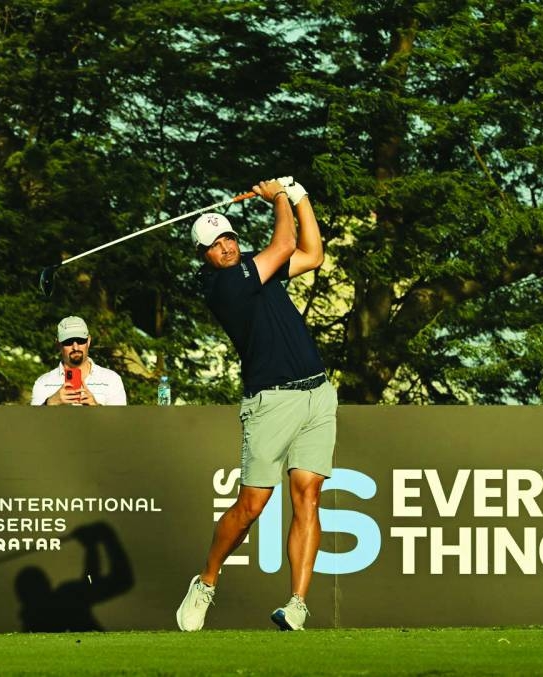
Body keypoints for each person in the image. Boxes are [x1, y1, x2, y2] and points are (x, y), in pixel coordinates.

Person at [175, 177, 337, 632]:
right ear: (202, 255)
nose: (225, 247)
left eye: (228, 237)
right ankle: (206, 581)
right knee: (251, 506)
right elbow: (284, 241)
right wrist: (279, 196)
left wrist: (302, 196)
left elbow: (312, 254)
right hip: (271, 402)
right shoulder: (223, 286)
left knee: (308, 496)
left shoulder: (253, 266)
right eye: (214, 244)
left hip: (317, 395)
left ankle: (297, 604)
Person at [30, 316, 126, 406]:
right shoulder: (43, 383)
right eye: (68, 342)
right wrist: (50, 403)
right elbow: (33, 422)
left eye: (80, 340)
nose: (75, 347)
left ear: (88, 341)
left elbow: (120, 422)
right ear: (58, 344)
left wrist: (96, 406)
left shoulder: (111, 380)